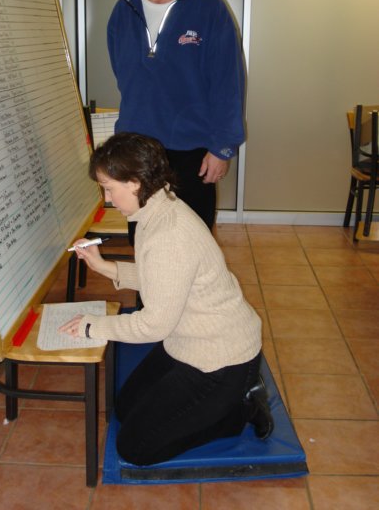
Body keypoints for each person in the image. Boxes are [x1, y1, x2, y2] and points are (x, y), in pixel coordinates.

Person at [60, 132, 273, 467]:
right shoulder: (157, 207)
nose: (107, 197)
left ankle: (241, 410)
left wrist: (93, 327)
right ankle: (228, 403)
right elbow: (163, 278)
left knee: (136, 447)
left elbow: (153, 325)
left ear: (134, 182)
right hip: (188, 342)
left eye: (109, 188)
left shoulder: (168, 234)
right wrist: (103, 266)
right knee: (125, 408)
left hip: (220, 361)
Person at [107, 0, 246, 230]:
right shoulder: (122, 12)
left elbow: (228, 84)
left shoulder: (209, 8)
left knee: (193, 243)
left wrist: (222, 148)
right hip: (137, 154)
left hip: (192, 154)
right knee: (144, 243)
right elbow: (123, 75)